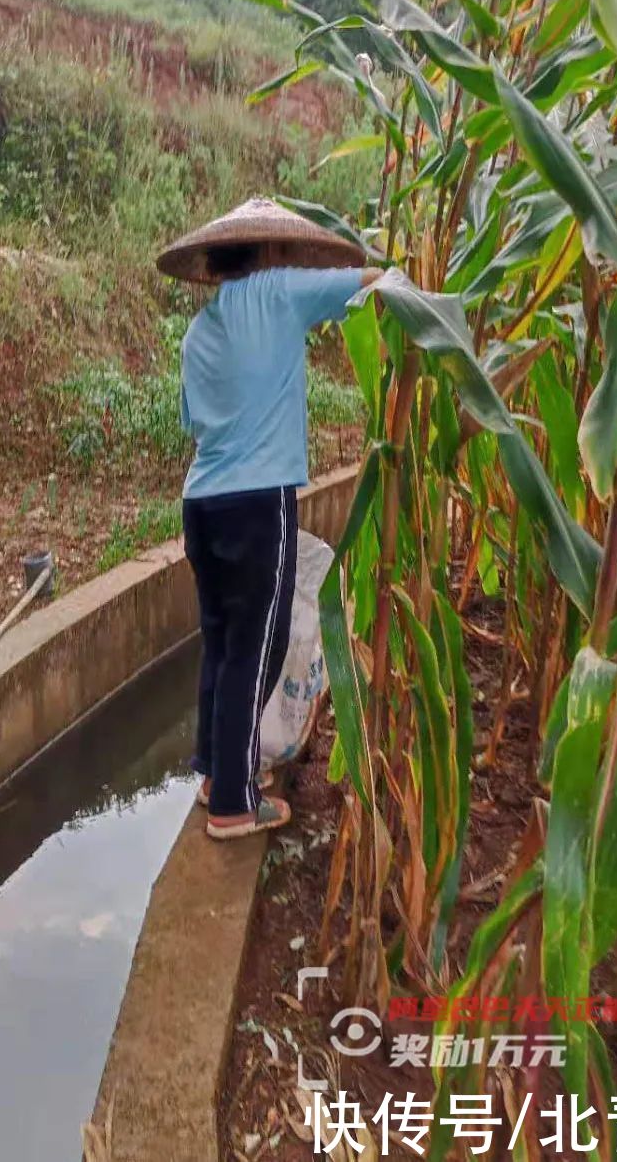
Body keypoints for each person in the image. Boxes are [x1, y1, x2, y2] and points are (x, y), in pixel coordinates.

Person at [179, 243, 382, 840]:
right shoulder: (283, 292)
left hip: (203, 501)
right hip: (257, 500)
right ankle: (235, 804)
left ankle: (217, 775)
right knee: (255, 648)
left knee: (221, 642)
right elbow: (369, 281)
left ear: (214, 268)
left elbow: (196, 420)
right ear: (266, 253)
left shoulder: (198, 332)